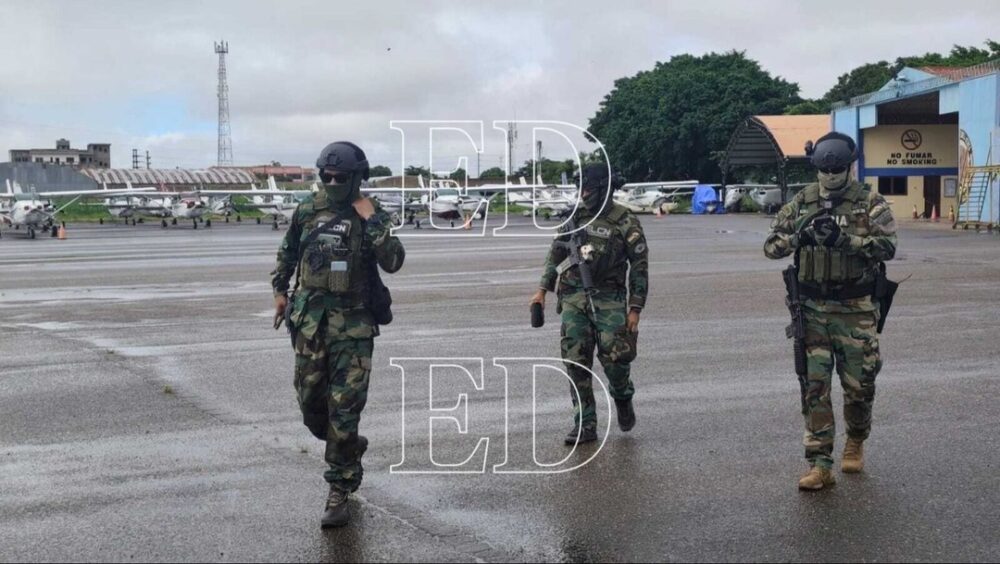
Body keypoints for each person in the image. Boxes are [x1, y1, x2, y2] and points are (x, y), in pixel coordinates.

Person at [271, 141, 404, 526]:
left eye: (339, 178)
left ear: (356, 179)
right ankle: (349, 448)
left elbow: (394, 260)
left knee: (344, 412)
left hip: (354, 327)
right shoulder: (307, 209)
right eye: (325, 176)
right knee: (313, 409)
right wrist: (280, 293)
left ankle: (340, 487)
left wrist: (372, 219)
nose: (331, 182)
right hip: (311, 323)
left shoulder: (371, 213)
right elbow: (288, 252)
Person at [764, 132, 897, 491]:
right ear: (816, 168)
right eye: (825, 170)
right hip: (812, 308)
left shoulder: (869, 201)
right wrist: (799, 238)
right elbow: (771, 247)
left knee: (859, 386)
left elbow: (888, 247)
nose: (831, 175)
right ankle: (819, 463)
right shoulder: (802, 202)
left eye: (837, 169)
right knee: (814, 386)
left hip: (855, 309)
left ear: (849, 166)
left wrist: (846, 241)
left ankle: (856, 438)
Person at [530, 164, 649, 444]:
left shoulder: (624, 220)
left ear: (602, 189)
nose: (583, 194)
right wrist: (542, 290)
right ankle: (585, 423)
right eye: (580, 188)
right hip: (573, 297)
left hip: (610, 298)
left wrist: (635, 308)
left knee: (615, 361)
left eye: (588, 189)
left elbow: (640, 266)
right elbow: (555, 254)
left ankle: (622, 396)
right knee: (575, 360)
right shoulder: (574, 218)